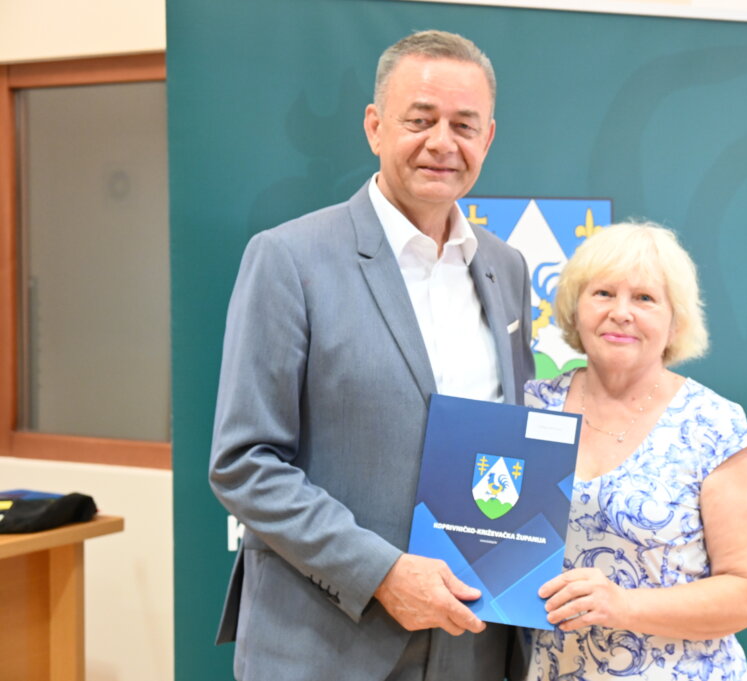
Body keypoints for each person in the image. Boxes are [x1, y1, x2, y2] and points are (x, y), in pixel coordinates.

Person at [209, 30, 535, 681]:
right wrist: (382, 573)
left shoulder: (506, 267)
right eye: (420, 120)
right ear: (374, 126)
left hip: (472, 639)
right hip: (327, 644)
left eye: (464, 125)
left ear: (489, 138)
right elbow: (244, 462)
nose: (443, 142)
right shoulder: (289, 259)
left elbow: (511, 436)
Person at [521, 222, 747, 681]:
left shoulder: (713, 425)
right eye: (602, 294)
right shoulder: (529, 407)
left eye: (644, 298)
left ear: (675, 322)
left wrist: (623, 605)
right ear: (575, 308)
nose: (621, 313)